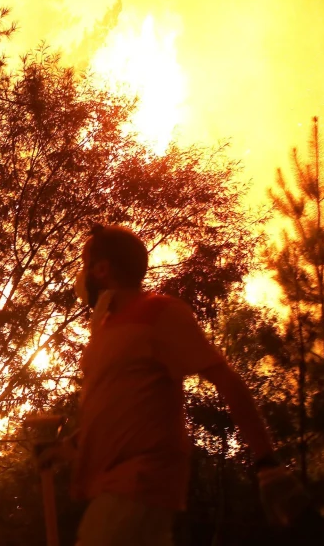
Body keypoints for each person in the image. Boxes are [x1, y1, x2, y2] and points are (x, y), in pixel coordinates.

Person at [38, 224, 307, 546]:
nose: (80, 275)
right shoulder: (103, 333)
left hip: (140, 481)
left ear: (102, 269)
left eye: (84, 263)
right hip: (115, 485)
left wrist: (267, 464)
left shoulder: (159, 313)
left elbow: (227, 381)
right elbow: (114, 414)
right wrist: (64, 450)